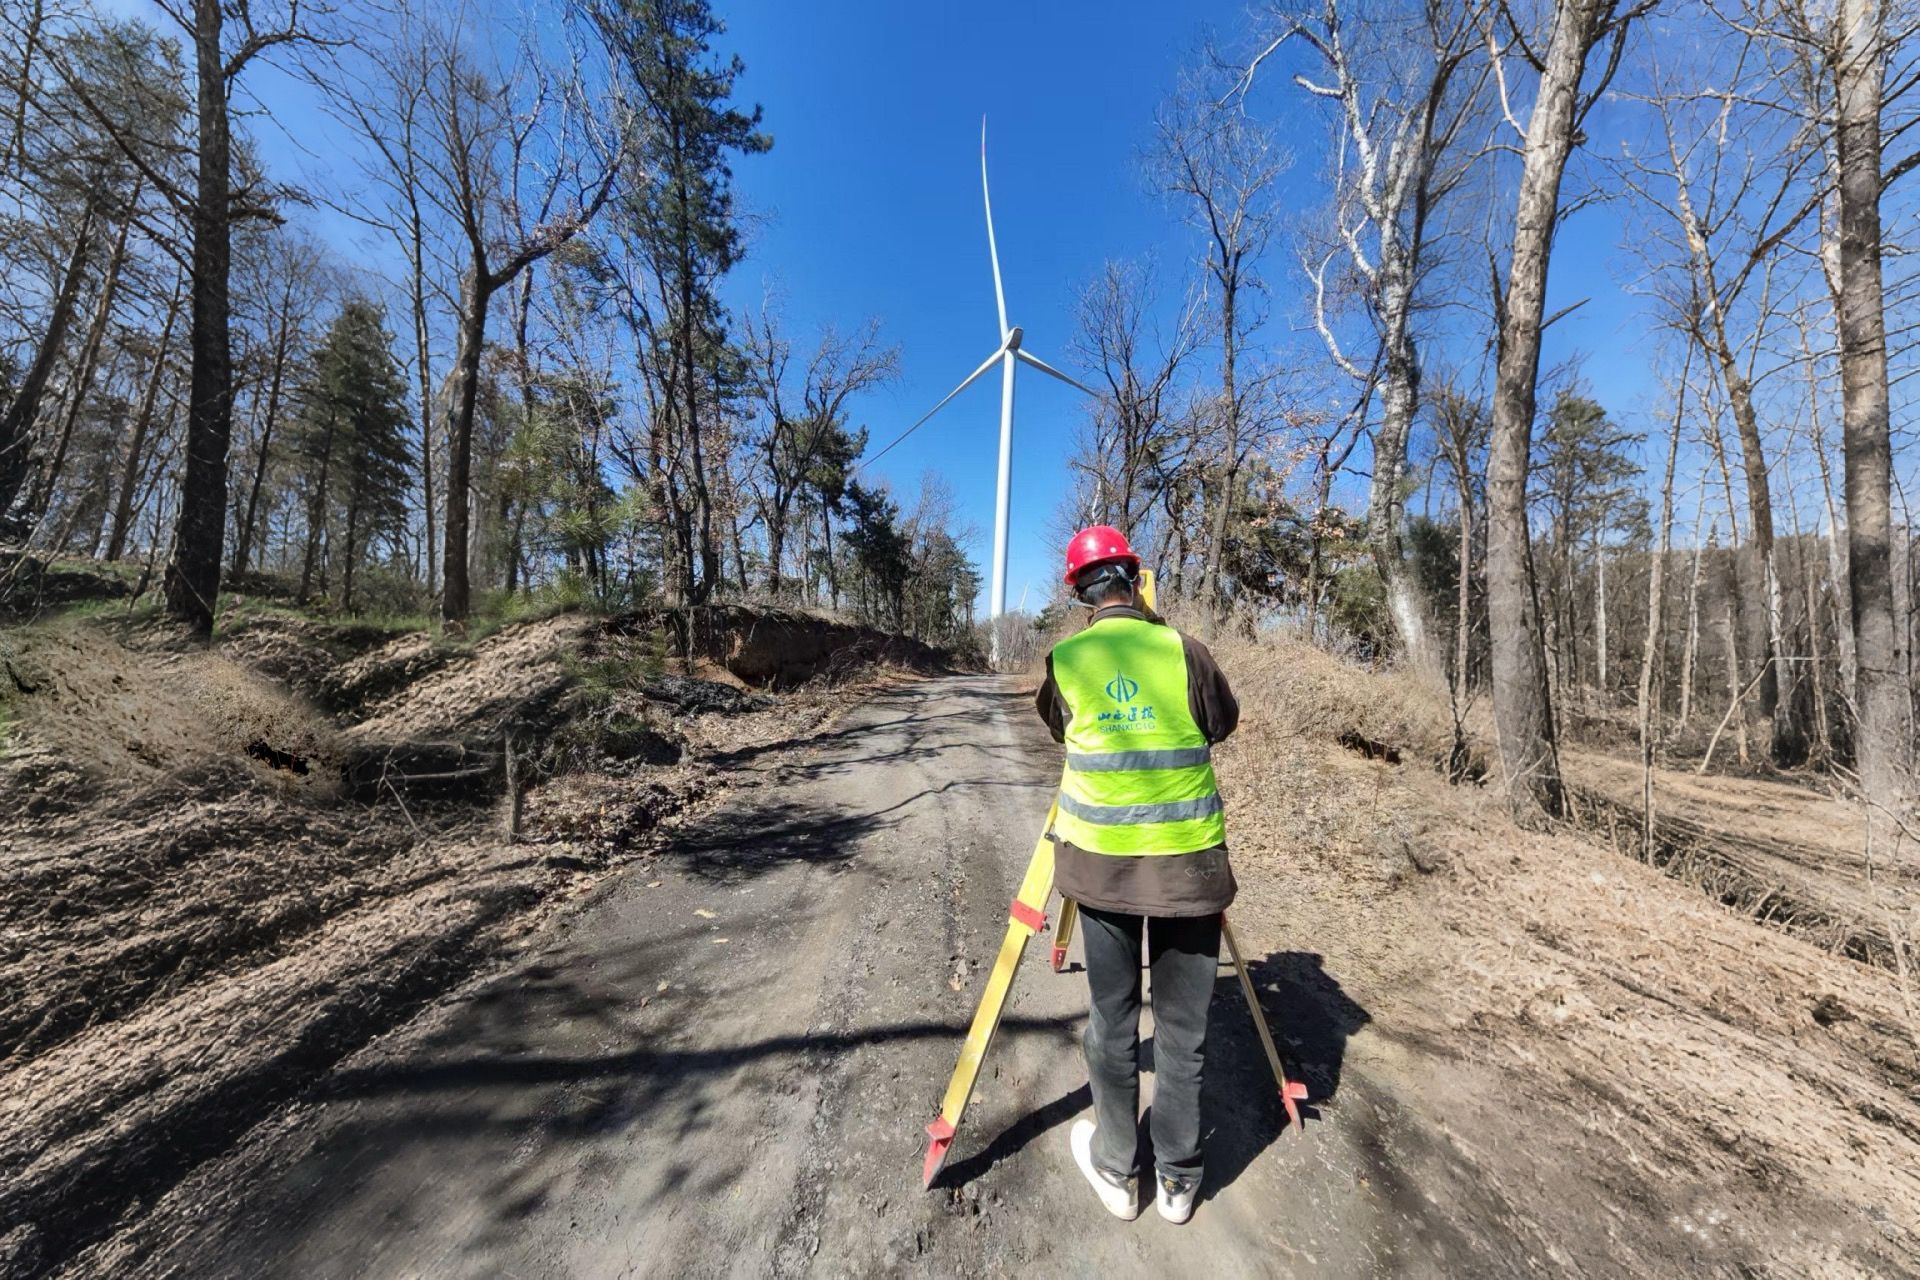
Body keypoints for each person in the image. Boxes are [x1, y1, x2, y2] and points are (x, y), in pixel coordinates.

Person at [1034, 524, 1239, 1226]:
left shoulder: (1066, 660)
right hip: (1190, 872)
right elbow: (1222, 722)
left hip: (1105, 874)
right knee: (1183, 1030)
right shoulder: (1185, 650)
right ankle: (1179, 1180)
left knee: (1112, 1020)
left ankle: (1118, 1171)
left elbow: (1061, 729)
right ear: (1136, 577)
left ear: (1079, 593)